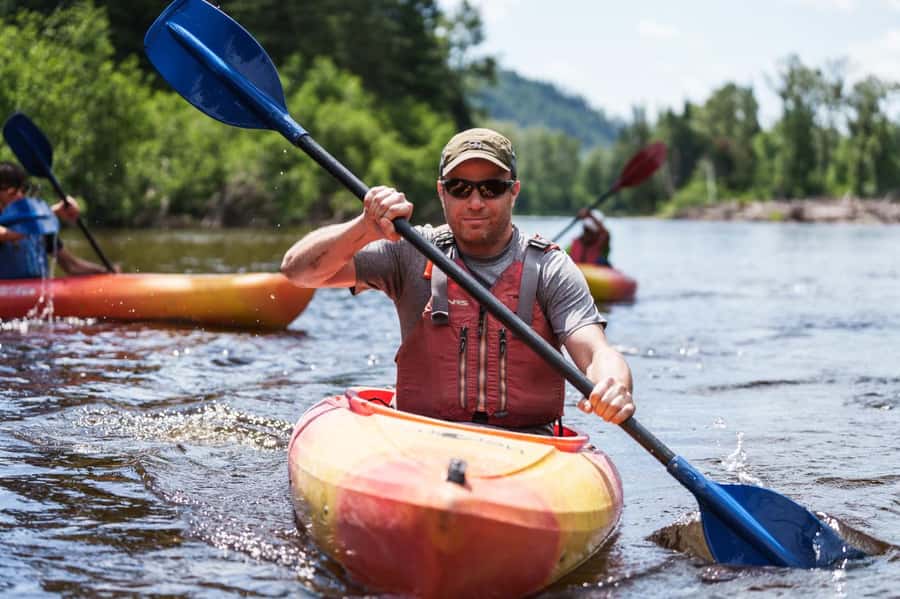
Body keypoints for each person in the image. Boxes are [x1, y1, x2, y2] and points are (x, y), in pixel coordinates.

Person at [281, 128, 634, 430]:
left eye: (492, 188)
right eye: (460, 188)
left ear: (514, 191)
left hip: (529, 444)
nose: (476, 202)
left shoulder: (550, 268)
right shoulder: (409, 251)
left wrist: (612, 385)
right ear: (441, 191)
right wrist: (364, 227)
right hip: (422, 436)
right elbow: (298, 271)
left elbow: (596, 351)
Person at [0, 161, 112, 279]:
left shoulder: (40, 226)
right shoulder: (37, 224)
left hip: (37, 294)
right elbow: (8, 234)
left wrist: (105, 272)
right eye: (12, 192)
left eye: (23, 190)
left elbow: (72, 266)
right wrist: (53, 212)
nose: (20, 196)